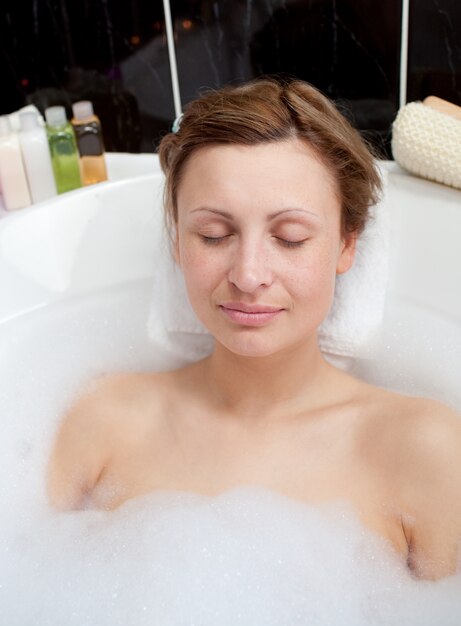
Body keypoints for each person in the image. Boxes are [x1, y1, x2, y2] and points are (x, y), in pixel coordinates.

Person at [47, 78, 461, 581]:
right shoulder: (103, 419)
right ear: (177, 241)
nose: (248, 274)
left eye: (289, 239)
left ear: (346, 245)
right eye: (214, 235)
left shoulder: (425, 449)